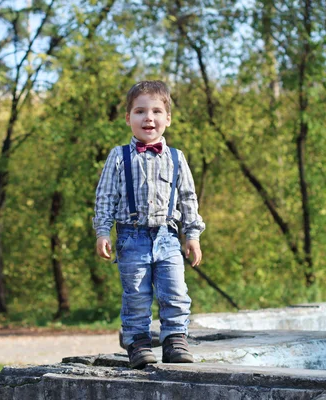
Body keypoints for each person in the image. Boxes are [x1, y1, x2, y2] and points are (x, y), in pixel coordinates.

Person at [93, 80, 205, 369]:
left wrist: (192, 235)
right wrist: (103, 231)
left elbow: (188, 198)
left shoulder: (177, 158)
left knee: (176, 292)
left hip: (168, 237)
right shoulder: (118, 157)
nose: (149, 118)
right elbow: (105, 196)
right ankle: (138, 342)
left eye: (156, 111)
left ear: (168, 118)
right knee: (136, 295)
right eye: (140, 111)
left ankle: (175, 339)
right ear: (128, 117)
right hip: (131, 238)